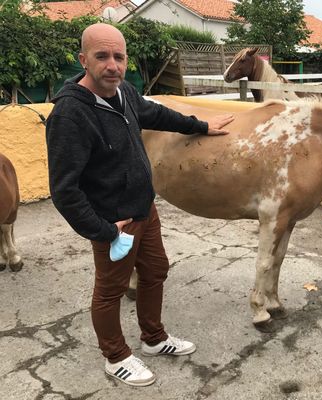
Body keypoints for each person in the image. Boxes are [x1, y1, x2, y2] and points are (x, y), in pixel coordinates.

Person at [45, 23, 234, 387]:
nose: (112, 65)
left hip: (145, 209)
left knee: (156, 270)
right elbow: (64, 190)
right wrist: (101, 230)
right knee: (110, 290)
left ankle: (154, 339)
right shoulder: (70, 115)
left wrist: (201, 125)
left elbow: (156, 114)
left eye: (119, 56)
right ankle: (115, 357)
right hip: (114, 222)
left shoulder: (124, 92)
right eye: (102, 56)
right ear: (84, 60)